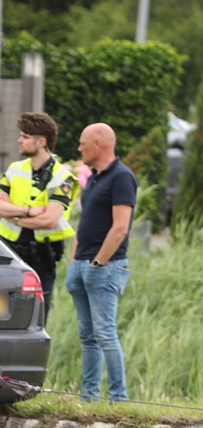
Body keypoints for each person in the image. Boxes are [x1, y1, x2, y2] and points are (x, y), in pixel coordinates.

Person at [65, 122, 136, 401]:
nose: (79, 148)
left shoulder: (122, 177)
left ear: (98, 143)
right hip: (80, 266)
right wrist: (75, 262)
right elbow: (86, 223)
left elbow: (120, 227)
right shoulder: (94, 178)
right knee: (88, 337)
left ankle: (118, 398)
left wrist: (97, 263)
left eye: (83, 143)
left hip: (105, 268)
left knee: (105, 333)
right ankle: (89, 397)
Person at [0, 112, 78, 321]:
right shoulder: (15, 169)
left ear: (41, 142)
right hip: (8, 256)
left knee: (35, 320)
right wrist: (26, 211)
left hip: (41, 260)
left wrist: (11, 217)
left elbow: (48, 220)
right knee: (0, 319)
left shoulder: (63, 177)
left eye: (25, 136)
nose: (19, 140)